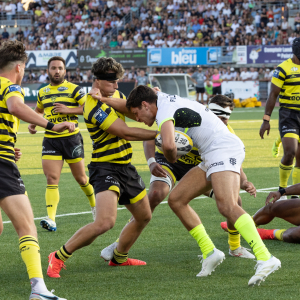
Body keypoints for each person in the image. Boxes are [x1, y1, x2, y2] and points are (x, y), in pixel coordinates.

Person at [124, 86, 281, 286]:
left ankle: (265, 257)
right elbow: (131, 103)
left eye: (136, 114)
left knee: (227, 205)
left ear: (145, 104)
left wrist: (171, 156)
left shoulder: (162, 109)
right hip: (211, 153)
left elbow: (170, 147)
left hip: (222, 149)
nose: (137, 119)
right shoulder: (159, 99)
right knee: (177, 199)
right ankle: (210, 251)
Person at [99, 94, 256, 261]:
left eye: (225, 117)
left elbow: (233, 163)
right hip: (169, 162)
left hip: (199, 168)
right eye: (217, 115)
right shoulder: (185, 116)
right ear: (208, 110)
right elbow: (152, 137)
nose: (221, 120)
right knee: (155, 194)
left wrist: (244, 181)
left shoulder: (224, 132)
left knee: (235, 201)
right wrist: (152, 161)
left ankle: (235, 246)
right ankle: (119, 243)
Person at [46, 57, 158, 278]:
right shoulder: (91, 104)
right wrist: (160, 135)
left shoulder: (116, 95)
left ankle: (119, 258)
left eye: (118, 81)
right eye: (112, 82)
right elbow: (124, 131)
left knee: (144, 215)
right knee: (105, 222)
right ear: (97, 80)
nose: (117, 86)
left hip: (125, 166)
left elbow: (132, 113)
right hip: (105, 167)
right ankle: (58, 256)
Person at [0, 41, 73, 299]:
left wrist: (9, 147)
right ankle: (38, 291)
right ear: (19, 68)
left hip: (4, 157)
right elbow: (15, 107)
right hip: (1, 166)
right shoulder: (10, 87)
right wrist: (52, 126)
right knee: (27, 227)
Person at [28, 56, 96, 232]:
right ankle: (51, 219)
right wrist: (33, 123)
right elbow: (38, 110)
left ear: (65, 71)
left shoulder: (74, 90)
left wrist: (69, 110)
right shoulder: (42, 92)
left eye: (60, 68)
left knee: (81, 178)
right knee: (51, 179)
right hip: (51, 139)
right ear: (48, 71)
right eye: (53, 68)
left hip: (71, 139)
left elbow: (88, 108)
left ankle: (95, 205)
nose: (56, 71)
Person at [260, 38, 300, 200]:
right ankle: (282, 188)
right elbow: (273, 95)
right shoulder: (283, 69)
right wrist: (266, 119)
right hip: (289, 115)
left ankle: (295, 196)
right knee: (290, 152)